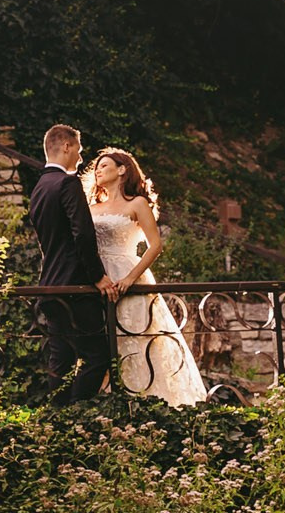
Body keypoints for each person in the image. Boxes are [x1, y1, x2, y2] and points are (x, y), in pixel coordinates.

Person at [87, 147, 209, 406]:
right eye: (96, 167)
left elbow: (155, 245)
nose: (97, 170)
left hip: (127, 273)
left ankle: (144, 401)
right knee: (101, 341)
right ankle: (105, 402)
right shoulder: (92, 207)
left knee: (135, 336)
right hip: (97, 277)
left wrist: (131, 278)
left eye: (104, 165)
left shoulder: (137, 203)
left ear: (122, 170)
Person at [24, 124, 116, 403]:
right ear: (66, 146)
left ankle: (56, 421)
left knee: (61, 360)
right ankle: (73, 414)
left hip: (50, 286)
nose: (80, 156)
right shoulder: (67, 183)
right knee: (99, 357)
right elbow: (83, 234)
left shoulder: (39, 187)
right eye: (77, 148)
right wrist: (98, 276)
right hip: (75, 286)